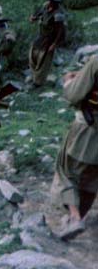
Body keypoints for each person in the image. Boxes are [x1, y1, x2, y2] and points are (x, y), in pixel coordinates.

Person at [51, 56, 98, 241]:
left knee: (66, 171)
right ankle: (77, 218)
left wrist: (70, 82)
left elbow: (74, 95)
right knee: (92, 180)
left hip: (88, 129)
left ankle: (74, 217)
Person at [29, 0, 66, 87]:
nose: (50, 2)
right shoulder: (46, 5)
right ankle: (34, 76)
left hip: (50, 39)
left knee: (44, 59)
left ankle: (38, 82)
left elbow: (60, 30)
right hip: (41, 35)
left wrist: (54, 44)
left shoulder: (58, 14)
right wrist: (34, 18)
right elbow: (40, 13)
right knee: (33, 55)